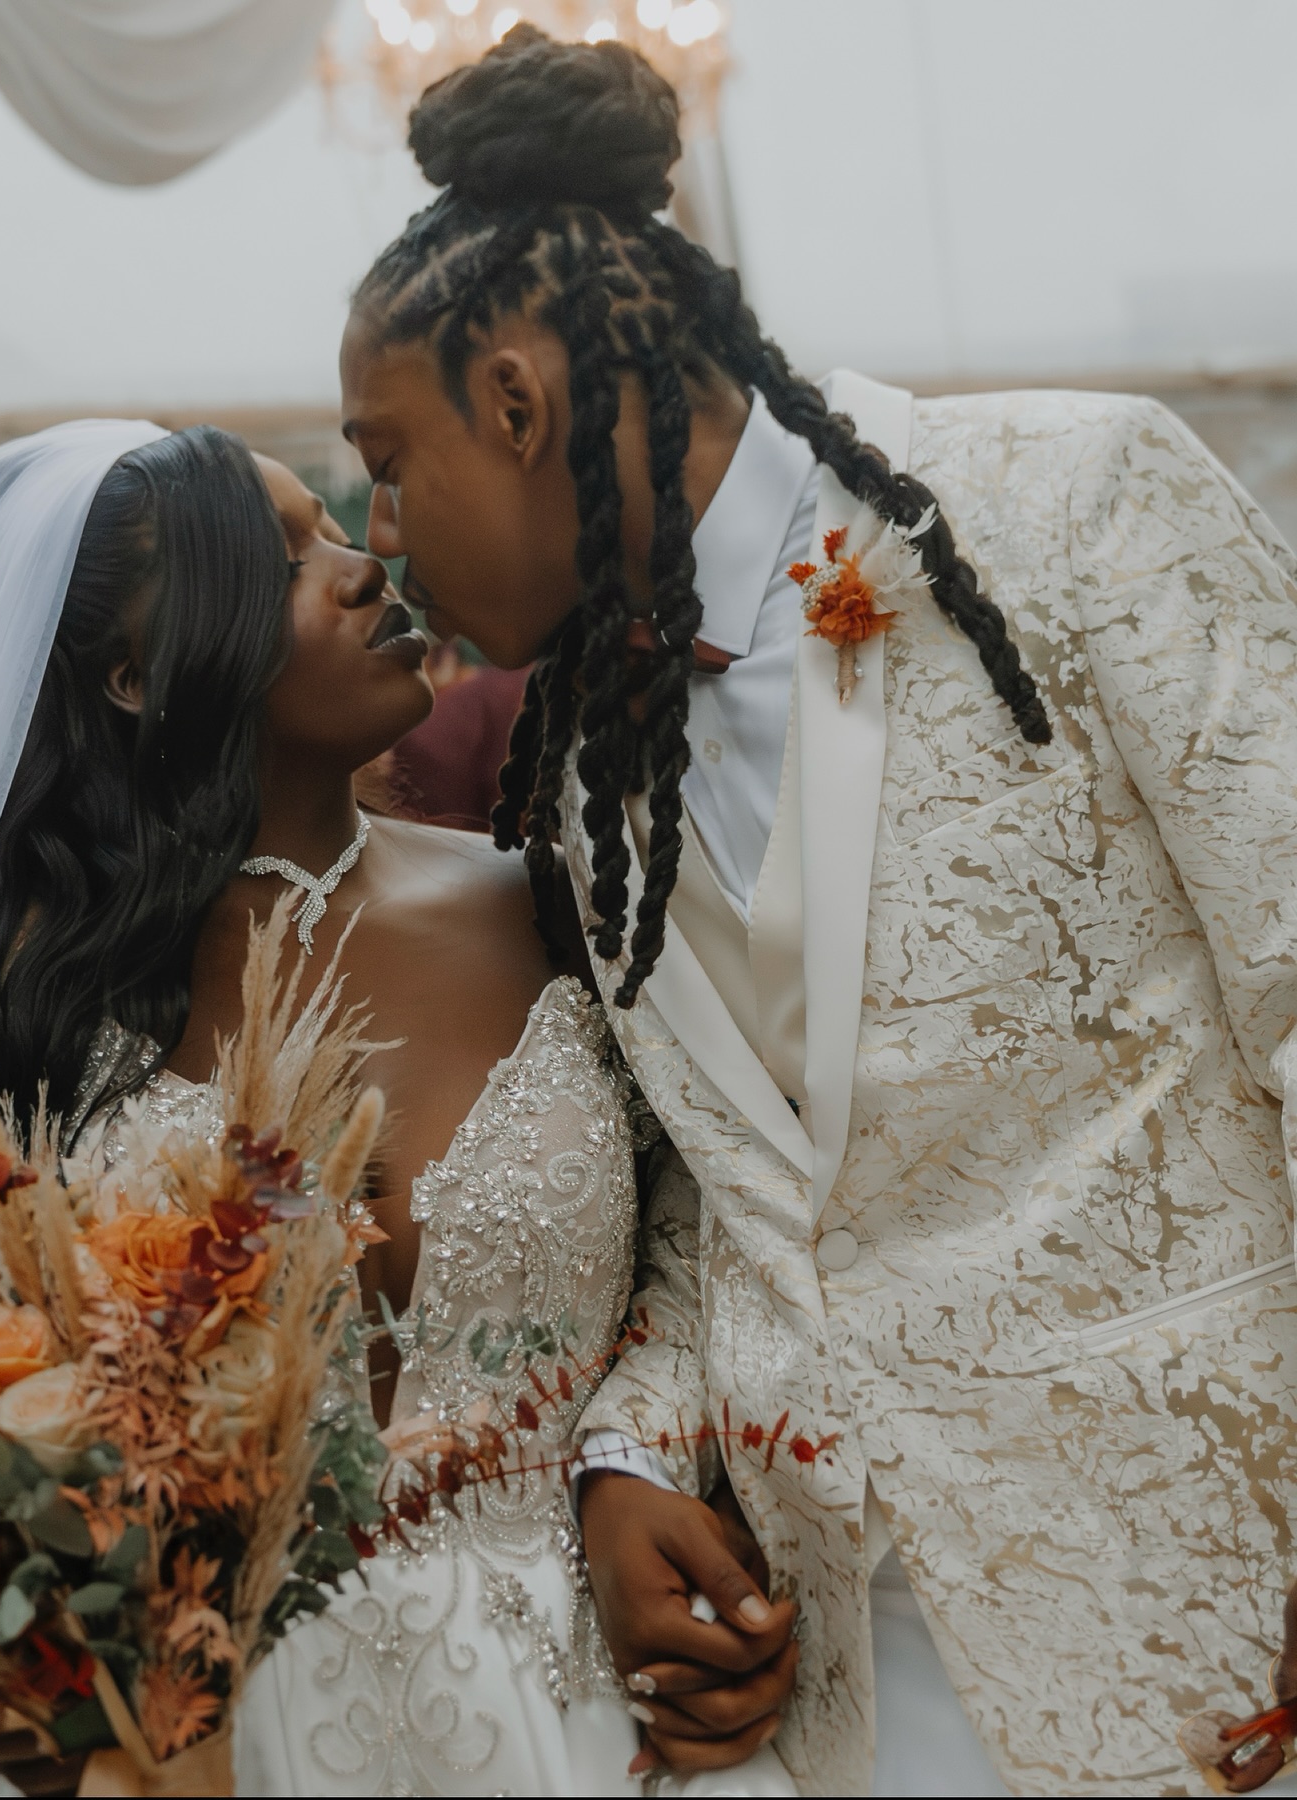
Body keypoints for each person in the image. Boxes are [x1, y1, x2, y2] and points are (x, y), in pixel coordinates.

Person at [337, 25, 1297, 1796]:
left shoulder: (1075, 502)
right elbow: (742, 1190)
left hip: (1226, 1579)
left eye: (387, 461)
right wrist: (630, 1454)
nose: (381, 530)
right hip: (841, 1666)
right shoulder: (585, 765)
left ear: (518, 405)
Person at [0, 417, 791, 1798]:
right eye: (284, 557)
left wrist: (632, 1457)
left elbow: (709, 1229)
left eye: (339, 528)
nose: (364, 566)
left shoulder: (558, 903)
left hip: (596, 1710)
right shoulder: (12, 1027)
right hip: (226, 1747)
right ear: (131, 672)